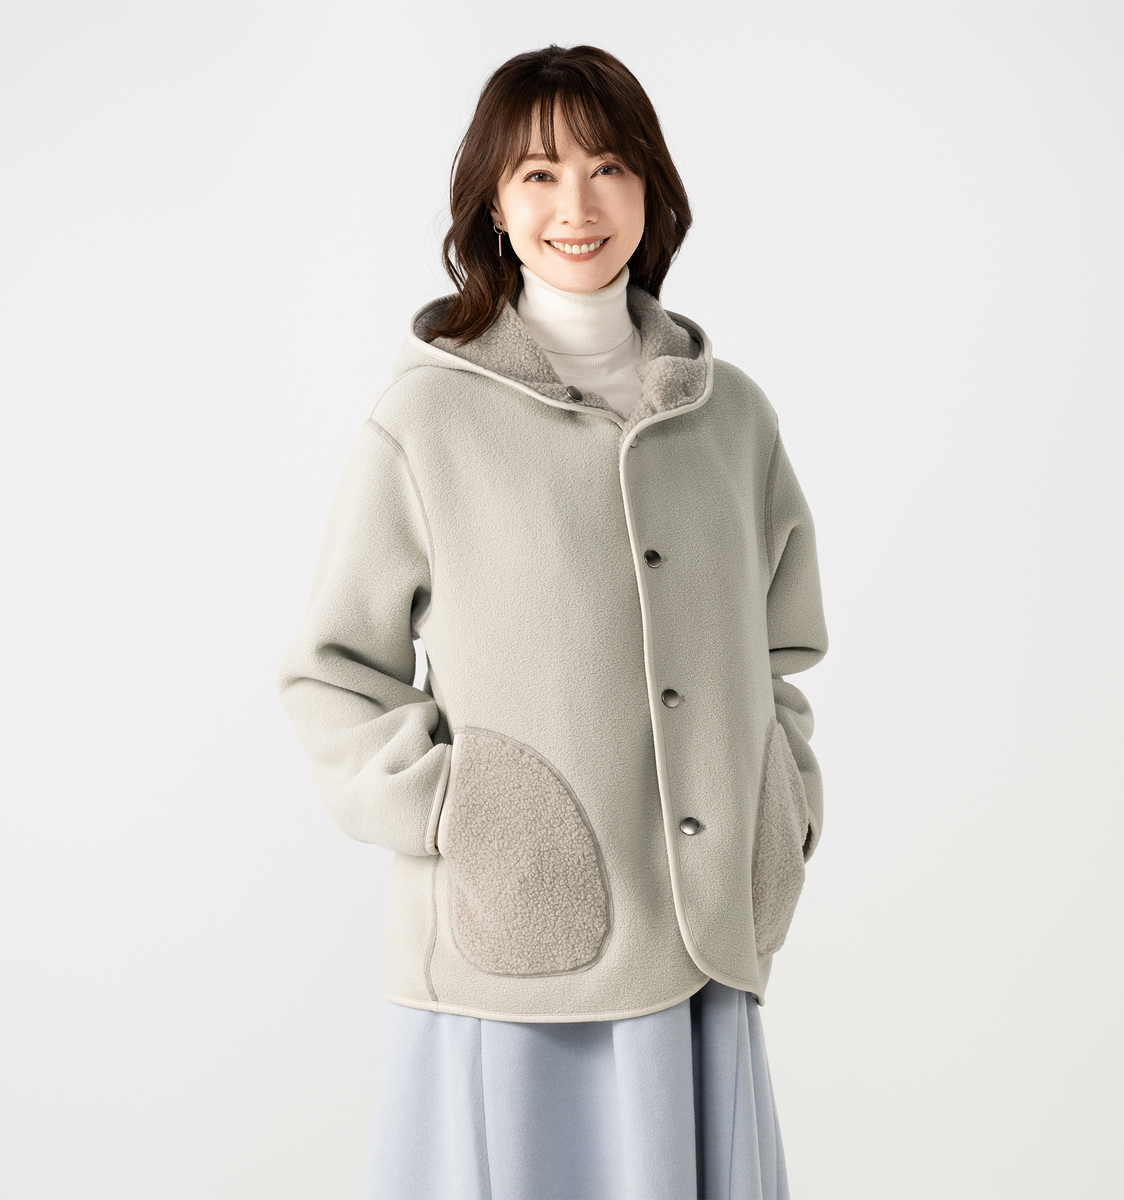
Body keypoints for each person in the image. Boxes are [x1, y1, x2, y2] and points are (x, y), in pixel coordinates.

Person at [278, 43, 827, 1200]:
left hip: (703, 942)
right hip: (516, 958)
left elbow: (782, 649)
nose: (576, 206)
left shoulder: (734, 420)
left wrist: (782, 802)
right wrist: (467, 812)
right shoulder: (425, 423)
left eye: (608, 167)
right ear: (492, 203)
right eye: (537, 174)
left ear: (651, 191)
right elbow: (332, 673)